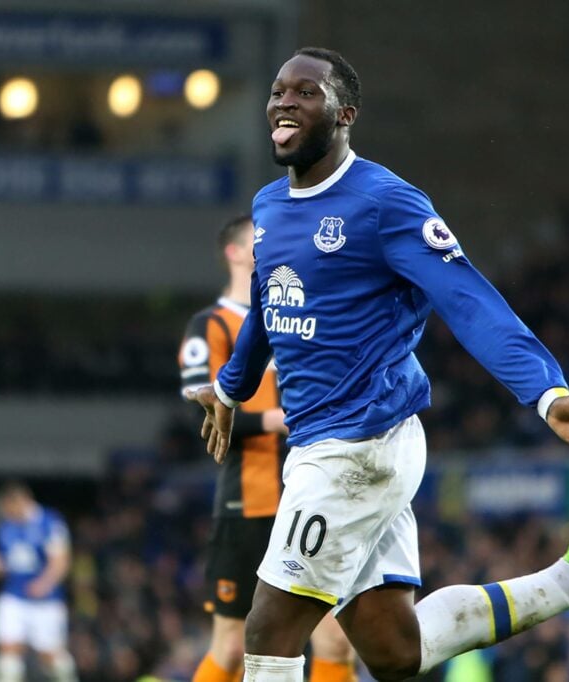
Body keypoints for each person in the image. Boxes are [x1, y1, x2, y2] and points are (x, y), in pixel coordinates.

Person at [186, 47, 569, 682]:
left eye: (305, 92)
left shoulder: (384, 203)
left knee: (269, 628)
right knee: (396, 651)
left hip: (357, 445)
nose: (284, 101)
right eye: (279, 90)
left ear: (345, 114)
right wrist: (230, 389)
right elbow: (269, 304)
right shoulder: (269, 206)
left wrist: (545, 391)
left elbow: (469, 300)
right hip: (336, 445)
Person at [180, 215, 356, 682]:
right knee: (234, 647)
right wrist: (272, 420)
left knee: (335, 641)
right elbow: (197, 410)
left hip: (311, 493)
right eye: (258, 242)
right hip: (250, 499)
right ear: (236, 253)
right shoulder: (211, 324)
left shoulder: (296, 315)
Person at [0, 482, 76, 682]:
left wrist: (45, 583)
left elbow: (61, 560)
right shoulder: (6, 527)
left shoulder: (49, 522)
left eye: (9, 507)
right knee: (8, 651)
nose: (7, 513)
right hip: (14, 596)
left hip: (46, 600)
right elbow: (8, 561)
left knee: (50, 656)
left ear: (21, 501)